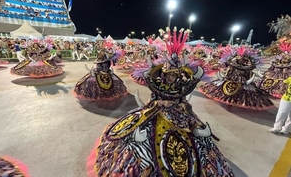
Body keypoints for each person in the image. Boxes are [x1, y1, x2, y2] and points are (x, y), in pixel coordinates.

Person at [86, 27, 234, 177]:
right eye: (168, 74)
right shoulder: (157, 84)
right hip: (156, 111)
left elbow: (188, 88)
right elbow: (152, 88)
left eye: (174, 75)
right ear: (163, 74)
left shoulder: (182, 86)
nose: (171, 78)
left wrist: (179, 103)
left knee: (197, 138)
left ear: (178, 74)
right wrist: (160, 103)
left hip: (180, 115)